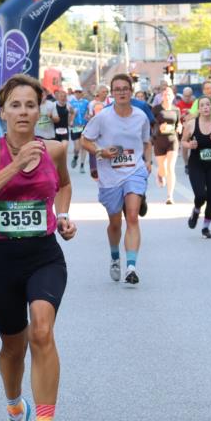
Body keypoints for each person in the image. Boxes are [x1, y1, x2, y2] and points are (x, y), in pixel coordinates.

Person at [0, 73, 77, 421]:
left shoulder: (55, 150)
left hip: (44, 254)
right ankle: (16, 413)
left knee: (42, 332)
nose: (24, 112)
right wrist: (15, 167)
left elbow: (63, 185)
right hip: (1, 259)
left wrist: (62, 215)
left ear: (40, 109)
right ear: (3, 111)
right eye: (16, 105)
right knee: (13, 348)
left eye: (31, 104)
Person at [81, 73, 152, 286]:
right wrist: (101, 152)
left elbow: (147, 142)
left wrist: (148, 162)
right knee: (114, 223)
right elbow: (85, 140)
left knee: (132, 216)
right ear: (112, 93)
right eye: (117, 89)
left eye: (125, 88)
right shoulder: (103, 117)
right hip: (110, 176)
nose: (121, 92)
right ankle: (115, 257)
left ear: (131, 91)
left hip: (134, 170)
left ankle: (131, 267)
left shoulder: (141, 116)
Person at [181, 96, 211, 238]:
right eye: (202, 105)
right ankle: (196, 211)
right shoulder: (191, 124)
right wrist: (189, 145)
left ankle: (205, 228)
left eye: (208, 105)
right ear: (199, 109)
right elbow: (183, 141)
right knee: (201, 195)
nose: (206, 107)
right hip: (196, 164)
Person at [152, 86, 181, 204]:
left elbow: (178, 123)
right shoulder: (156, 109)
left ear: (173, 97)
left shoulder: (176, 109)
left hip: (172, 140)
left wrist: (179, 127)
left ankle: (170, 196)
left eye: (169, 94)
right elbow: (151, 124)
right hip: (159, 140)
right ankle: (160, 174)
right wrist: (159, 127)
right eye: (165, 94)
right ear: (161, 97)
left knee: (170, 168)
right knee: (163, 168)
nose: (167, 96)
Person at [68, 89, 89, 169]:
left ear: (82, 93)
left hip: (84, 126)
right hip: (75, 126)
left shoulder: (86, 102)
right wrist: (71, 120)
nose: (78, 93)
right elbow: (68, 114)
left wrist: (88, 116)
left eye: (80, 92)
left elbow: (89, 112)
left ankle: (82, 165)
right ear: (74, 93)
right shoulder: (71, 103)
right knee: (77, 147)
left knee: (83, 146)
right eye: (76, 92)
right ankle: (75, 157)